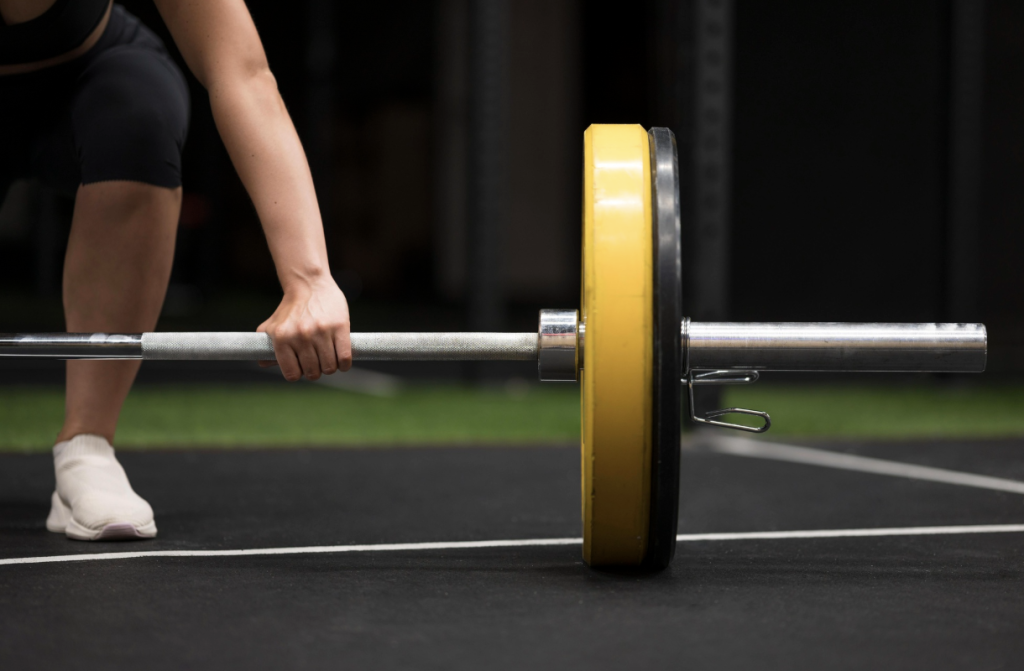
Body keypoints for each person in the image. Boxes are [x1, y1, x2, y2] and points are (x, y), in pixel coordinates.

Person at [0, 0, 352, 540]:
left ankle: (86, 450)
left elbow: (242, 72)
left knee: (139, 108)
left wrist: (309, 280)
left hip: (91, 80)